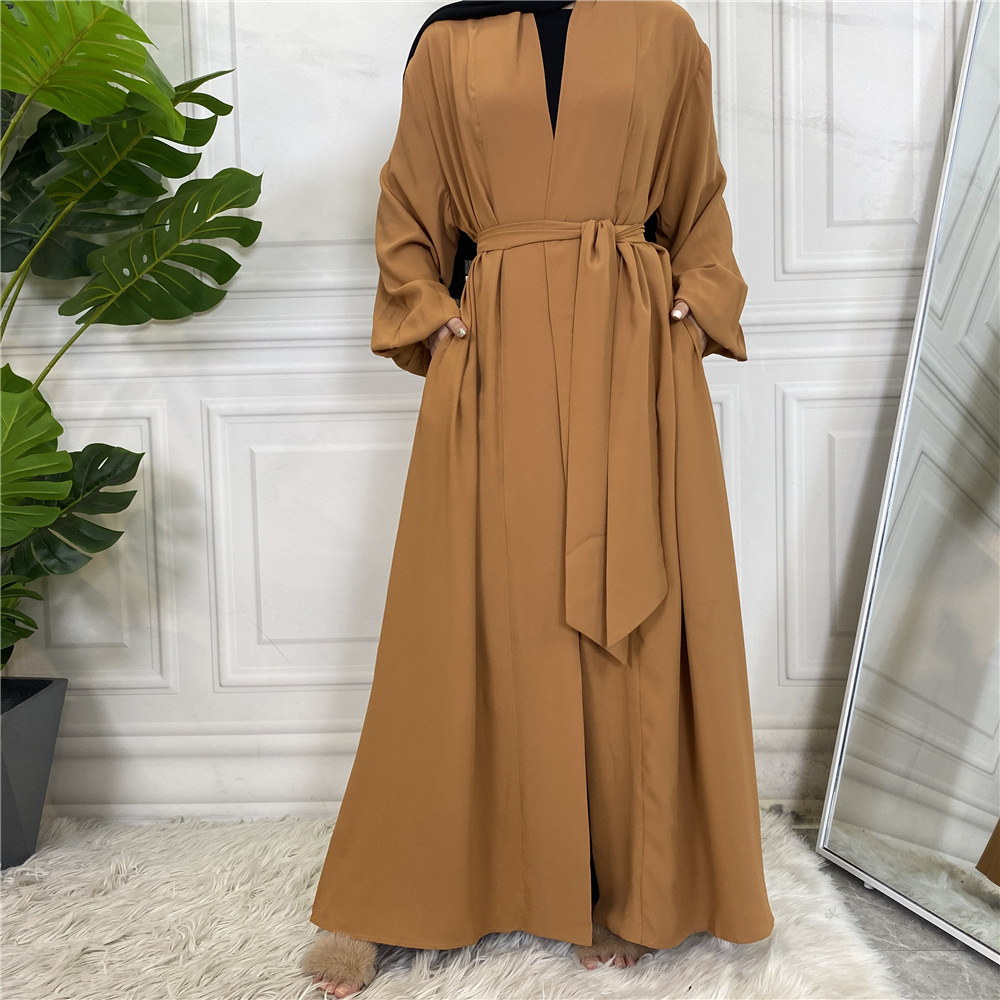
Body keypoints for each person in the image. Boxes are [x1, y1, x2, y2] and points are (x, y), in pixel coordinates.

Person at [303, 2, 774, 995]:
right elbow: (408, 209)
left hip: (632, 346)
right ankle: (391, 896)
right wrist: (431, 317)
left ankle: (622, 887)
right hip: (497, 349)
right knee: (465, 620)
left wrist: (694, 306)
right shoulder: (450, 41)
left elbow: (699, 199)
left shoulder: (663, 30)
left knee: (630, 617)